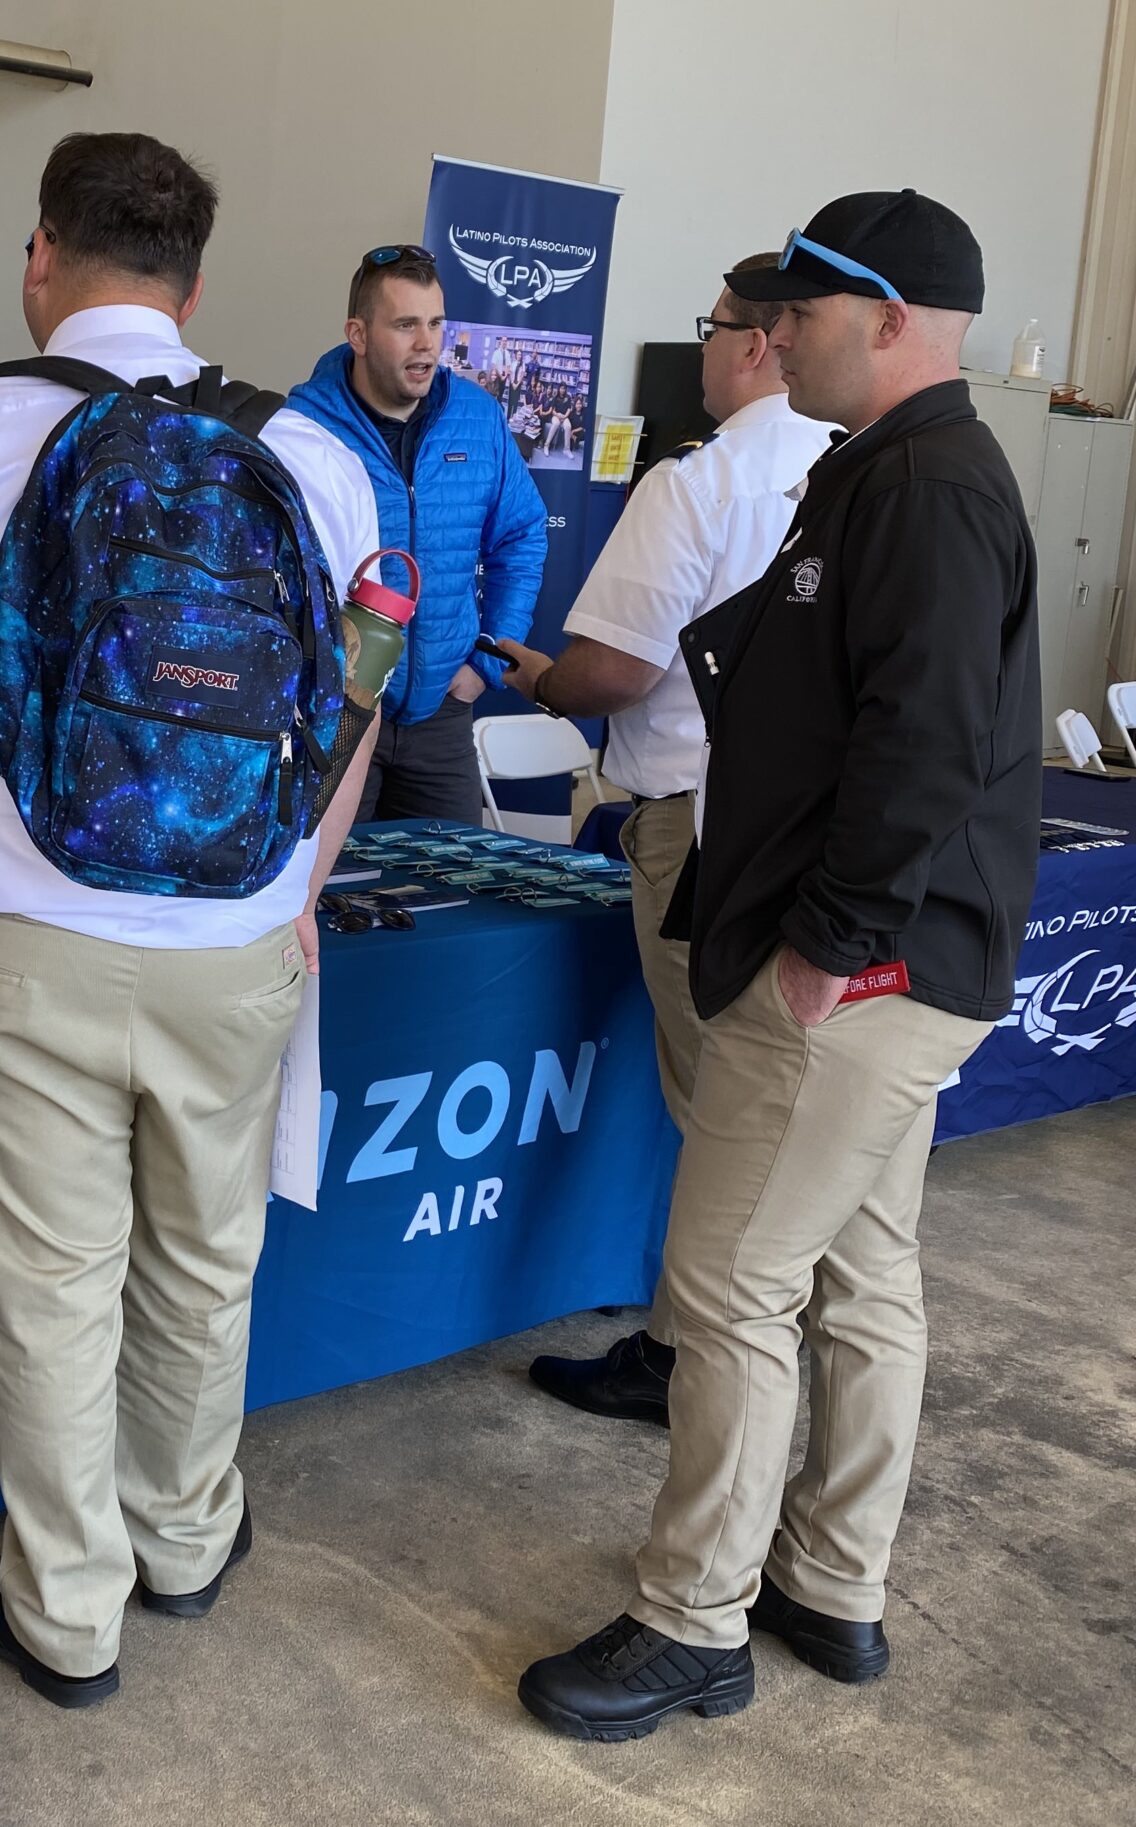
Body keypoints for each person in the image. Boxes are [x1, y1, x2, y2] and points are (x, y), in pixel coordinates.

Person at [0, 131, 380, 1709]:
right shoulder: (313, 461)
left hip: (10, 940)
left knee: (50, 1284)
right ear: (196, 287)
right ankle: (187, 1538)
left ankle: (68, 1610)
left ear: (40, 258)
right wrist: (300, 890)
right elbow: (353, 715)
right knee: (207, 1255)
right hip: (242, 938)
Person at [519, 191, 1040, 1740]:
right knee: (862, 1270)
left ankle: (693, 1619)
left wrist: (828, 947)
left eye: (798, 314)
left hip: (857, 977)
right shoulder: (875, 471)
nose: (763, 339)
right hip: (886, 963)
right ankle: (832, 1577)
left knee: (733, 1283)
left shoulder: (927, 487)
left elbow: (925, 744)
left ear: (887, 318)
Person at [500, 253, 835, 1426]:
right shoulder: (845, 473)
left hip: (695, 827)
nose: (702, 348)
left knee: (715, 1104)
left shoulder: (694, 484)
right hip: (808, 831)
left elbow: (619, 670)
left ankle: (687, 1355)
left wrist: (545, 680)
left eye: (712, 327)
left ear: (754, 341)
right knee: (786, 1115)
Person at [288, 246, 548, 823]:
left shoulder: (477, 417)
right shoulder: (302, 426)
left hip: (443, 717)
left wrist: (487, 660)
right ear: (358, 333)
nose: (427, 343)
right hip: (338, 715)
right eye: (405, 325)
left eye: (435, 323)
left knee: (454, 897)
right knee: (326, 897)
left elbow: (523, 534)